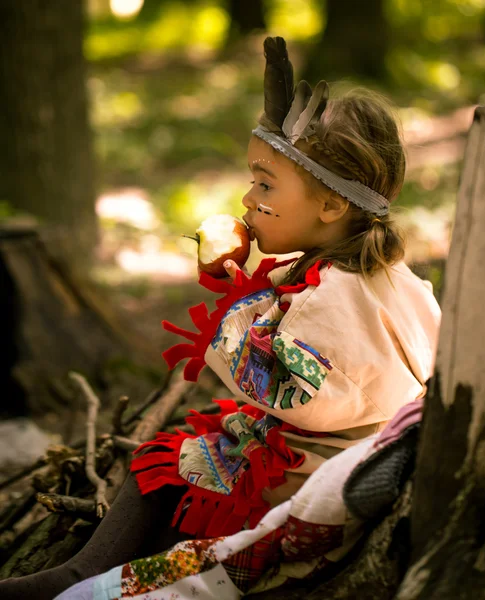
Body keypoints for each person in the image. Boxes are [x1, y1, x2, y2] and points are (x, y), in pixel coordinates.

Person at [0, 36, 441, 599]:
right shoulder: (388, 276)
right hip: (350, 444)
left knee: (163, 462)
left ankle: (80, 578)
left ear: (331, 205)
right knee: (195, 438)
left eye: (265, 184)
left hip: (314, 466)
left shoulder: (329, 296)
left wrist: (236, 305)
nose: (247, 199)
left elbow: (300, 394)